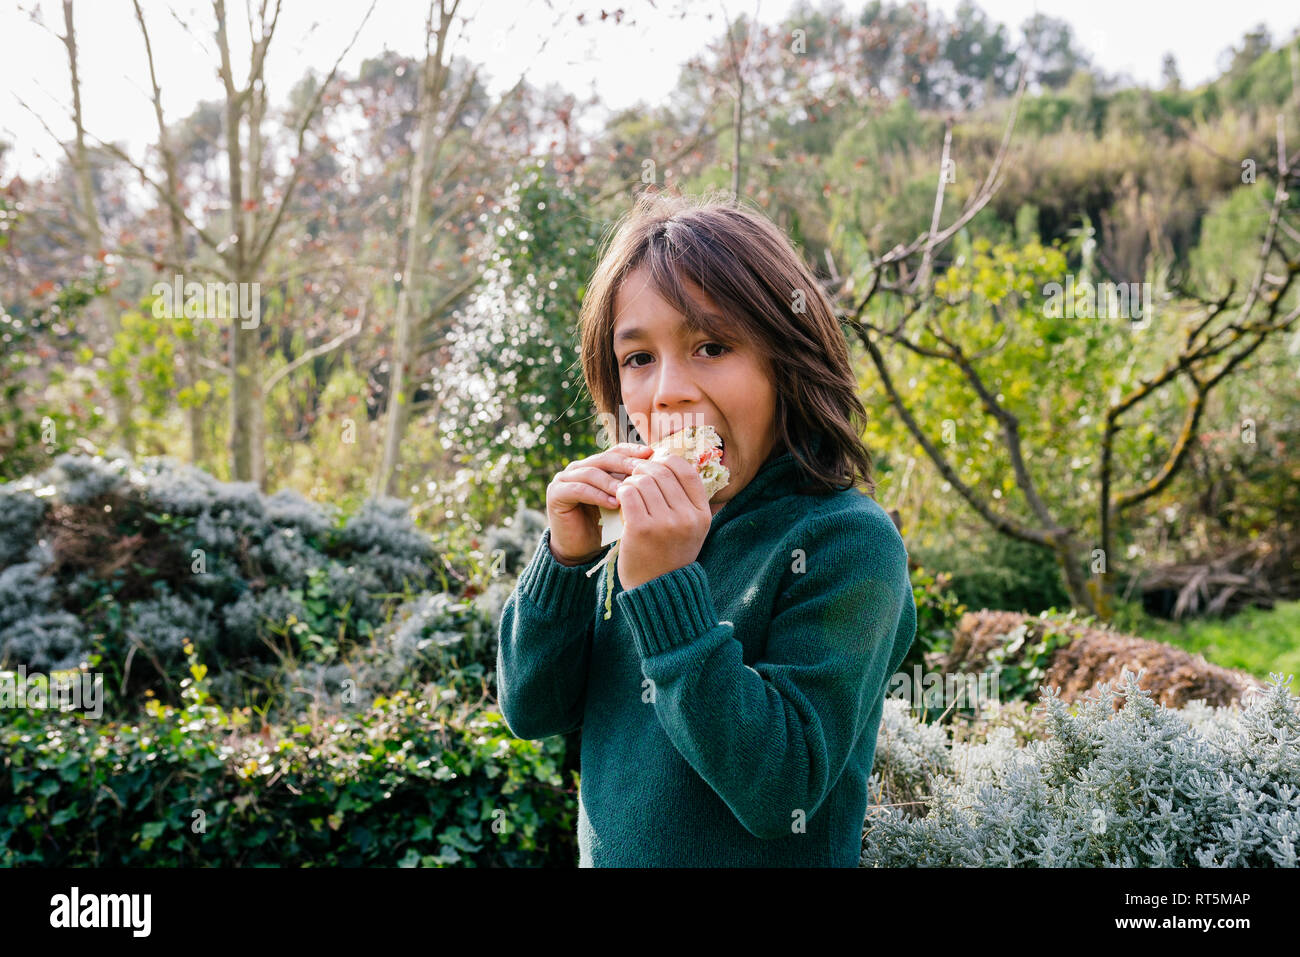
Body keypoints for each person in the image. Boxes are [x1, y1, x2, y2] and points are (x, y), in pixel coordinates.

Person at [496, 189, 917, 867]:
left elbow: (782, 791)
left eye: (711, 345)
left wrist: (665, 587)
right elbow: (531, 710)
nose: (667, 390)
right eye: (638, 358)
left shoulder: (848, 543)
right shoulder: (625, 526)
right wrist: (565, 564)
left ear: (788, 358)